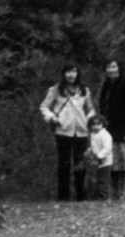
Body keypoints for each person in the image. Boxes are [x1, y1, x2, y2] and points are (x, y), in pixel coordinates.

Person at [40, 65, 96, 201]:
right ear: (63, 73)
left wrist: (88, 119)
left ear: (77, 73)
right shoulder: (56, 89)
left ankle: (81, 196)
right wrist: (53, 118)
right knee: (64, 163)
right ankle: (63, 196)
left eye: (74, 71)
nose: (71, 75)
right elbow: (44, 107)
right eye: (68, 72)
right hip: (63, 130)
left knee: (80, 164)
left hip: (81, 131)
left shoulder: (84, 90)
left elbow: (91, 109)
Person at [97, 59, 125, 200]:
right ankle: (115, 192)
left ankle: (123, 192)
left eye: (113, 66)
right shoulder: (106, 86)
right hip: (108, 130)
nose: (111, 69)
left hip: (124, 129)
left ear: (119, 68)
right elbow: (102, 107)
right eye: (108, 67)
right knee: (112, 163)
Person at [85, 115, 114, 201]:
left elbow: (107, 148)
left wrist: (99, 156)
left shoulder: (105, 135)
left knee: (103, 181)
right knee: (95, 180)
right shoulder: (93, 134)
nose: (96, 126)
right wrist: (89, 151)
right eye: (93, 124)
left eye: (98, 124)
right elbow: (94, 146)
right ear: (90, 126)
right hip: (95, 162)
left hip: (105, 162)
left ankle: (105, 198)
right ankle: (96, 198)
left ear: (103, 124)